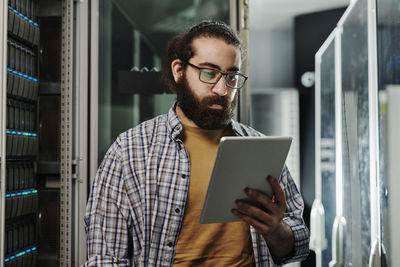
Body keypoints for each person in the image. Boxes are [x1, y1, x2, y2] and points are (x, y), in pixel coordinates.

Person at [84, 21, 309, 267]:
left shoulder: (259, 147)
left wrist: (276, 230)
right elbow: (104, 259)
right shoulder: (128, 150)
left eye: (231, 76)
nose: (223, 89)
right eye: (209, 73)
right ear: (179, 70)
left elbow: (299, 247)